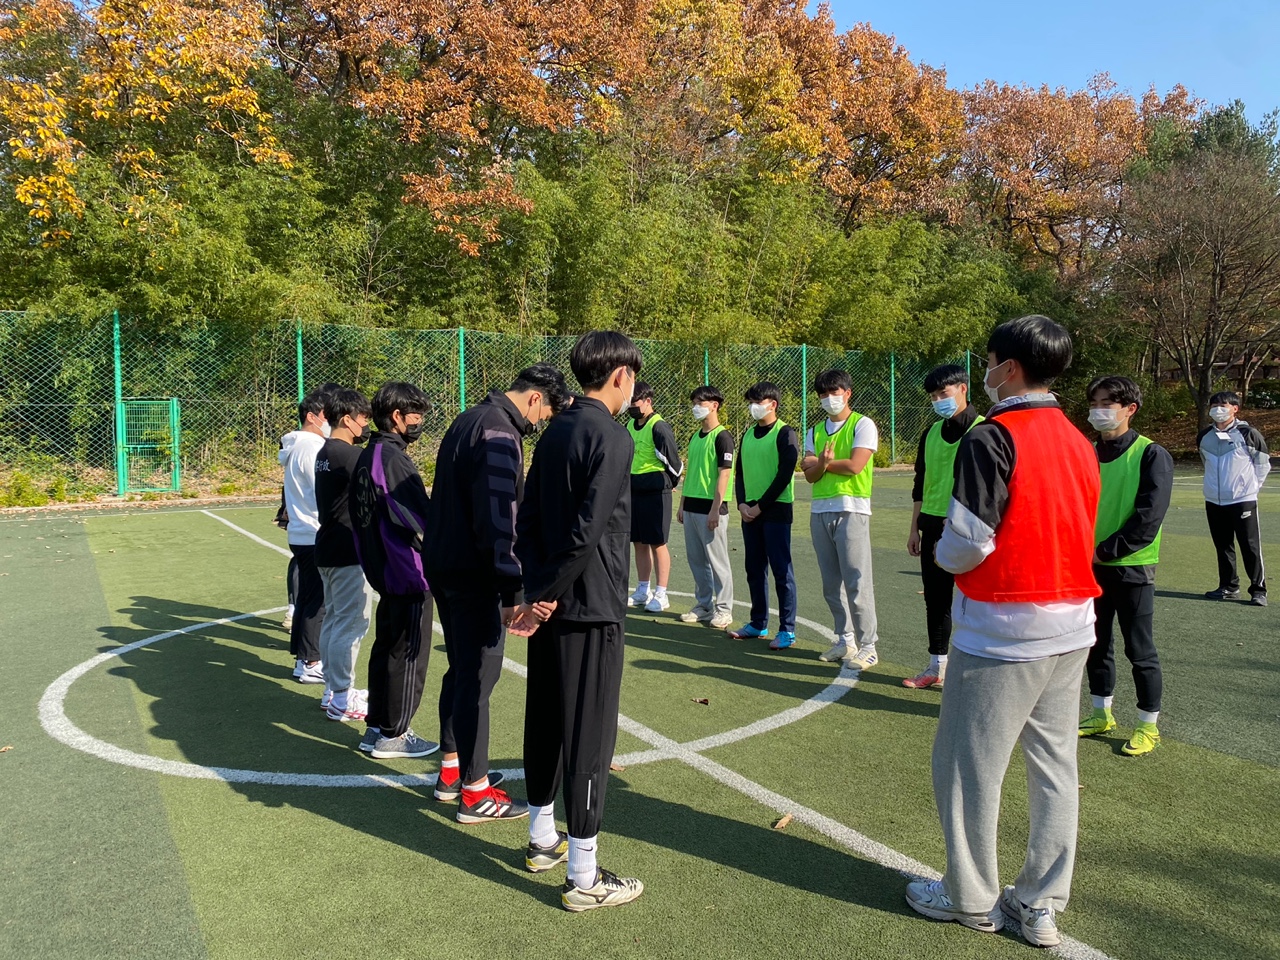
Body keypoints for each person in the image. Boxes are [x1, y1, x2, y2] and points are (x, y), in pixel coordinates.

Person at [905, 315, 1100, 949]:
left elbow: (967, 541)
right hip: (1073, 623)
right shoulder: (1078, 437)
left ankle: (969, 898)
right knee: (1054, 766)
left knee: (967, 765)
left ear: (1008, 368)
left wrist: (944, 557)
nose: (985, 373)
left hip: (1003, 627)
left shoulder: (992, 437)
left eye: (990, 362)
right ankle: (1040, 902)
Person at [508, 330, 644, 912]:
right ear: (620, 375)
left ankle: (542, 838)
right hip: (590, 607)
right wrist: (548, 592)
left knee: (544, 718)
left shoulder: (555, 429)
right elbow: (588, 530)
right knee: (589, 733)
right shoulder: (611, 435)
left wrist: (533, 592)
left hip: (552, 604)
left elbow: (528, 517)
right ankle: (583, 875)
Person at [424, 364, 571, 825]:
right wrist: (512, 589)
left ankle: (452, 770)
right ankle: (474, 791)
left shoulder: (470, 417)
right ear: (535, 398)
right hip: (474, 574)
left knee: (462, 670)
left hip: (445, 563)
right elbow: (499, 517)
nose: (541, 422)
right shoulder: (500, 433)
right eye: (545, 413)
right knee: (478, 677)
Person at [1079, 376, 1172, 757]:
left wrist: (1104, 551)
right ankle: (1101, 713)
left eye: (1107, 403)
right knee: (1095, 643)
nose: (1098, 410)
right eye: (1094, 403)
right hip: (1089, 566)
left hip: (1132, 566)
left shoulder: (1151, 454)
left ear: (1130, 409)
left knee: (1140, 649)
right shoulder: (1085, 452)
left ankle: (1148, 726)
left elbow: (1148, 519)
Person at [351, 381, 438, 760]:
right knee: (408, 653)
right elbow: (416, 518)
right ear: (397, 416)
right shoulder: (391, 458)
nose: (419, 423)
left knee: (387, 647)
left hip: (385, 570)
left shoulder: (370, 454)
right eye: (415, 415)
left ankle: (376, 726)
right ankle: (395, 733)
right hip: (407, 572)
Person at [904, 364, 982, 689]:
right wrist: (915, 528)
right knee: (936, 600)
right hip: (933, 527)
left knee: (976, 602)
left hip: (971, 530)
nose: (938, 401)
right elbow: (920, 483)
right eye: (933, 396)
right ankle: (937, 666)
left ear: (963, 388)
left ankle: (976, 673)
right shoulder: (931, 433)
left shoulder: (984, 430)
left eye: (943, 393)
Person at [802, 369, 880, 669]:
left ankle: (868, 646)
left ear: (847, 393)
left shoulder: (863, 424)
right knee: (831, 584)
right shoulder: (814, 431)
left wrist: (822, 462)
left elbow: (855, 465)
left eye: (834, 392)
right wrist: (819, 464)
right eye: (823, 394)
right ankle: (845, 640)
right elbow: (809, 475)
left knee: (857, 581)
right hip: (820, 511)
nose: (828, 398)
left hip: (852, 510)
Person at [314, 387, 376, 722]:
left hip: (329, 545)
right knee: (350, 624)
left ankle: (333, 690)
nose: (366, 424)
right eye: (363, 418)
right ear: (348, 419)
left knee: (335, 620)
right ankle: (341, 696)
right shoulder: (349, 455)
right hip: (347, 549)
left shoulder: (326, 451)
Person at [729, 382, 800, 650]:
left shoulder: (785, 433)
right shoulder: (747, 434)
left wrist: (760, 506)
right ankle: (758, 622)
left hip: (776, 510)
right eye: (751, 402)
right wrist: (742, 503)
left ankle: (787, 630)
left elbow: (784, 475)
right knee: (754, 568)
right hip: (749, 512)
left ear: (773, 404)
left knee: (781, 570)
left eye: (758, 402)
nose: (753, 407)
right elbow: (740, 473)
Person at [279, 387, 335, 685]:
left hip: (302, 531)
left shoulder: (298, 445)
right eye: (328, 414)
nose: (332, 420)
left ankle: (304, 660)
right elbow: (322, 492)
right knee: (318, 602)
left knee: (308, 599)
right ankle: (312, 661)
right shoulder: (311, 447)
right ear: (312, 417)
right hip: (313, 531)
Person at [1199, 390, 1270, 606]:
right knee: (1223, 546)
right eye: (1214, 405)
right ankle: (1229, 587)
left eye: (1223, 405)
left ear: (1235, 408)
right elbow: (1205, 463)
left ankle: (1258, 590)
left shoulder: (1248, 433)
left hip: (1242, 500)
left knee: (1250, 546)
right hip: (1213, 500)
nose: (1217, 409)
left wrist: (1250, 489)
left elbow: (1263, 465)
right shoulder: (1204, 436)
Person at [677, 385, 735, 630]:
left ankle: (724, 610)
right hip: (691, 506)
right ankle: (703, 606)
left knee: (718, 561)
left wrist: (715, 508)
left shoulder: (723, 437)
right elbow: (691, 472)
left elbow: (725, 474)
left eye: (700, 403)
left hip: (711, 509)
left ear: (714, 405)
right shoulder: (695, 436)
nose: (696, 407)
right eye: (694, 403)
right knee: (697, 560)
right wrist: (682, 504)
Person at [625, 382, 682, 613]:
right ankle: (642, 590)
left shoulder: (659, 427)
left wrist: (668, 484)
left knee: (657, 543)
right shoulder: (630, 424)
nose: (631, 406)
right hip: (634, 491)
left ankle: (661, 594)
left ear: (648, 401)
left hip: (656, 493)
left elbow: (674, 464)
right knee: (638, 542)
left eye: (635, 402)